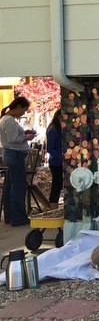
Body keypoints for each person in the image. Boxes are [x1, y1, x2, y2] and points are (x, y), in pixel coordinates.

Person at [0, 97, 36, 226]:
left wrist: (23, 133)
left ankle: (10, 215)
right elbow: (13, 139)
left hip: (11, 154)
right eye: (24, 110)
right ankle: (18, 217)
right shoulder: (9, 120)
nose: (24, 113)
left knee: (10, 186)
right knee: (18, 187)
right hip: (15, 154)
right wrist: (27, 137)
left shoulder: (6, 119)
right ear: (18, 107)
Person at [46, 109, 63, 208]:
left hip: (59, 161)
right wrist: (61, 158)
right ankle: (53, 209)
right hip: (56, 163)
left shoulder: (59, 130)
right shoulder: (53, 130)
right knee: (56, 186)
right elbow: (50, 148)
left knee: (58, 185)